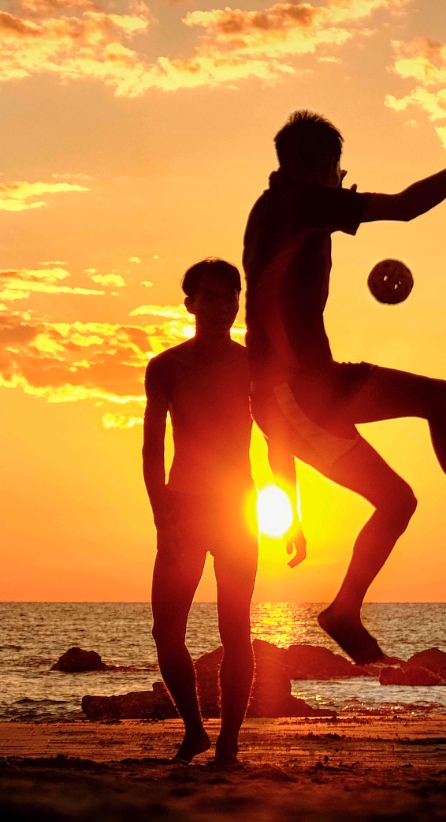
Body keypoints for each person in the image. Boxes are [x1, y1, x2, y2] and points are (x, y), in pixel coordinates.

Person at [243, 111, 446, 665]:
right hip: (298, 393)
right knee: (418, 451)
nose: (344, 180)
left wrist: (291, 506)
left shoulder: (275, 207)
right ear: (324, 168)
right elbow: (405, 206)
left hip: (310, 386)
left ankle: (356, 603)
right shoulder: (307, 201)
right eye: (339, 171)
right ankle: (351, 606)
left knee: (430, 420)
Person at [142, 257, 297, 766]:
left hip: (237, 507)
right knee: (167, 631)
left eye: (229, 296)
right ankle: (194, 731)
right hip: (184, 507)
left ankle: (229, 743)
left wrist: (291, 513)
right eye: (208, 296)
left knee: (235, 626)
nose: (220, 305)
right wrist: (161, 509)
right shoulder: (166, 366)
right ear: (190, 303)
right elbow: (151, 446)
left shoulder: (253, 363)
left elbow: (279, 440)